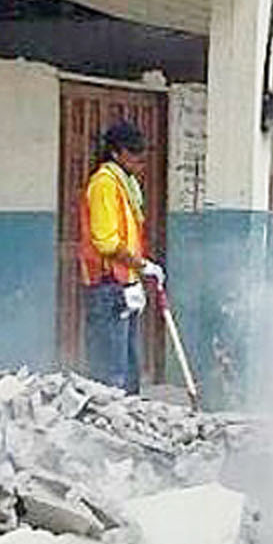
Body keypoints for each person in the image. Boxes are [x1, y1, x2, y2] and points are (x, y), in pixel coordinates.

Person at [79, 122, 160, 394]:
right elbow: (107, 242)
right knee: (110, 377)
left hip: (123, 285)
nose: (140, 160)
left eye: (142, 153)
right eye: (133, 153)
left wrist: (135, 278)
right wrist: (143, 266)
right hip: (106, 286)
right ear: (115, 153)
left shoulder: (127, 186)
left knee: (128, 372)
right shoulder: (104, 184)